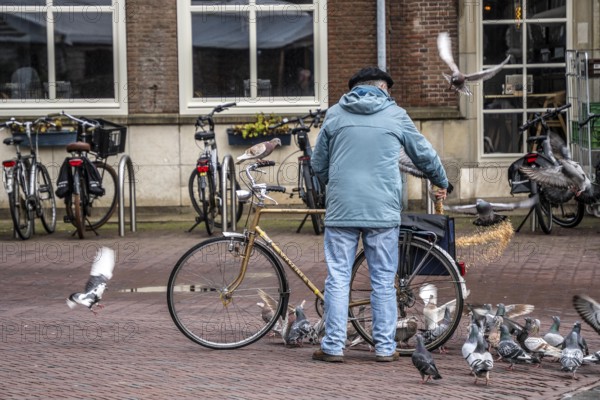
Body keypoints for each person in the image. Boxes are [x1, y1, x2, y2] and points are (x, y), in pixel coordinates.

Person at [310, 66, 450, 363]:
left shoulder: (335, 113)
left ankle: (334, 346)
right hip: (382, 211)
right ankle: (385, 348)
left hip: (342, 209)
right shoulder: (395, 115)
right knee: (383, 279)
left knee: (337, 277)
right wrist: (441, 180)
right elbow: (424, 153)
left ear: (354, 88)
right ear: (384, 89)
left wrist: (333, 186)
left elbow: (318, 162)